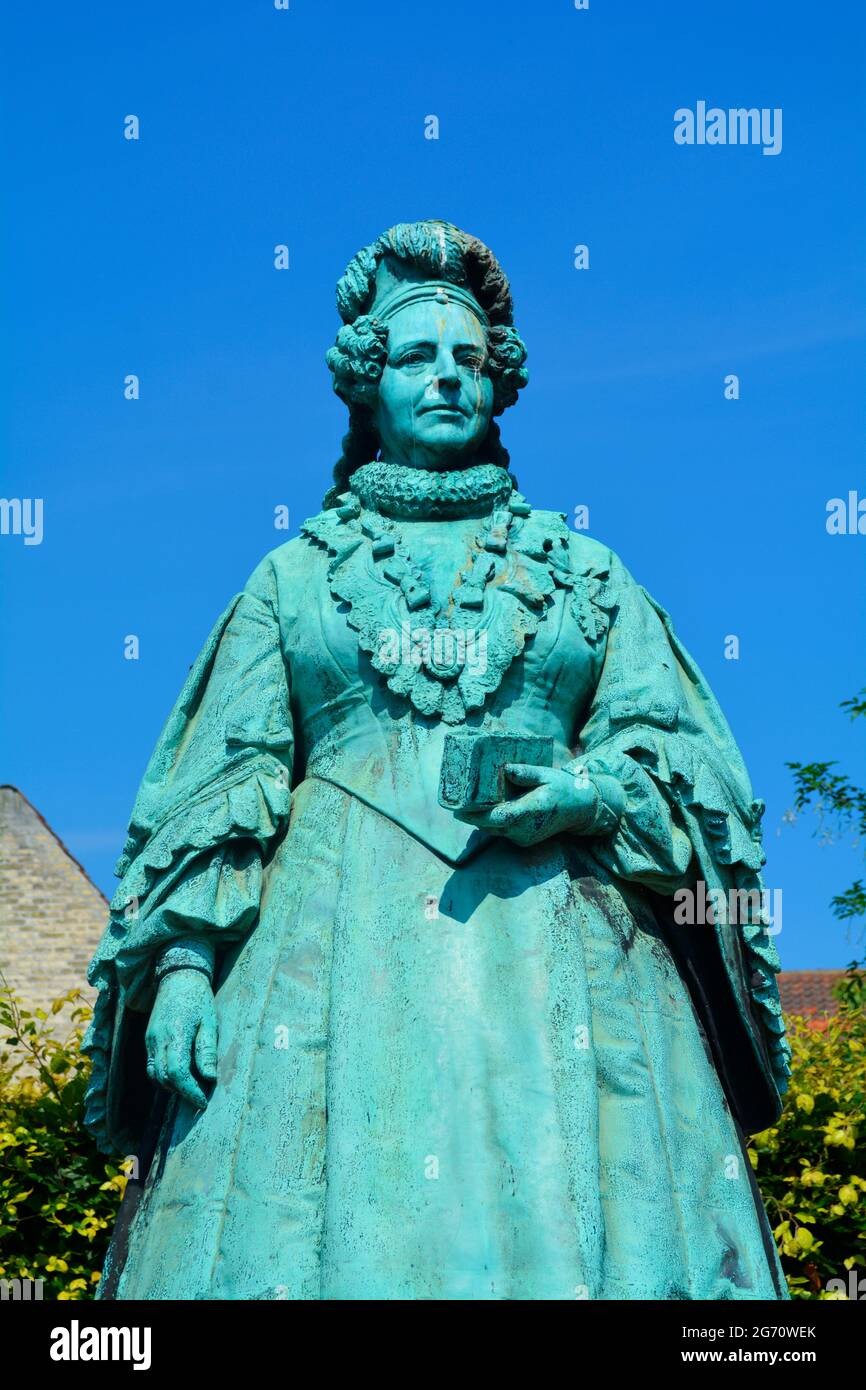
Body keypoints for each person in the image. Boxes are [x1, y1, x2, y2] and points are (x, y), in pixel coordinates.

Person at [85, 220, 790, 1300]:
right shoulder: (291, 577)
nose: (446, 378)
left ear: (500, 386)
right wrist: (180, 969)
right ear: (368, 384)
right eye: (416, 357)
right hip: (321, 972)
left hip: (568, 963)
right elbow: (218, 787)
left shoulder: (586, 572)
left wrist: (591, 789)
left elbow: (686, 764)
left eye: (468, 359)